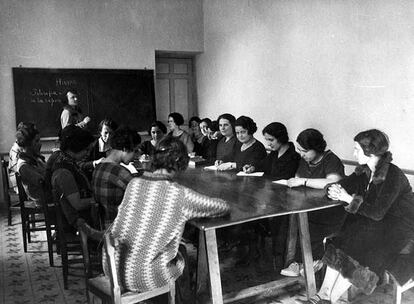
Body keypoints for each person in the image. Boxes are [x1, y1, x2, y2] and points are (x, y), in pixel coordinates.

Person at [105, 137, 230, 302]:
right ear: (179, 161)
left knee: (175, 247)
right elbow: (221, 207)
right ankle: (183, 300)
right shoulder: (179, 194)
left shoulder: (134, 183)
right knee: (182, 254)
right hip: (141, 277)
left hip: (113, 268)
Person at [298, 129, 414, 304]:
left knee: (359, 247)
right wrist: (334, 190)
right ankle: (323, 295)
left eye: (357, 149)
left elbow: (377, 212)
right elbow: (342, 185)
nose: (353, 153)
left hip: (400, 228)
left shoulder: (393, 174)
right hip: (377, 223)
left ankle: (330, 299)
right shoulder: (364, 171)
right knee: (342, 238)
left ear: (371, 152)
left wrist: (346, 197)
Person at [282, 128, 345, 277]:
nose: (301, 154)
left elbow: (332, 181)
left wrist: (303, 181)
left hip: (331, 211)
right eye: (299, 150)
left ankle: (314, 260)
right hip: (309, 206)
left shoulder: (331, 159)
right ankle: (297, 261)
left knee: (309, 225)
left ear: (316, 148)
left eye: (304, 151)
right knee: (292, 221)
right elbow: (297, 179)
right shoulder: (305, 161)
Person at [46, 125, 102, 240]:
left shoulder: (66, 160)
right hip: (77, 222)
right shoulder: (63, 172)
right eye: (86, 150)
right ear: (76, 147)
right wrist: (97, 199)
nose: (88, 154)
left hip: (77, 217)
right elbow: (78, 204)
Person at [92, 126, 141, 222]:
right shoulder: (118, 172)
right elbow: (141, 195)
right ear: (125, 148)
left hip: (103, 224)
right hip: (118, 226)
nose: (135, 156)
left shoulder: (99, 167)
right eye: (135, 151)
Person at [15, 122, 46, 202]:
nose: (40, 144)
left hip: (47, 195)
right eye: (36, 141)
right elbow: (42, 182)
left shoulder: (35, 159)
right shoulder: (24, 165)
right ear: (28, 144)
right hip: (41, 199)